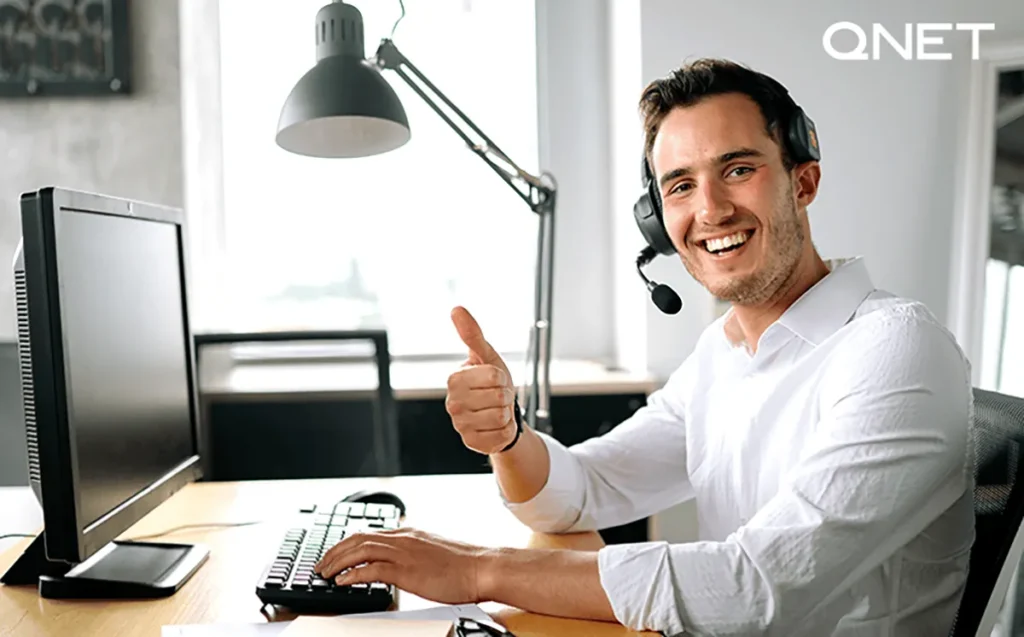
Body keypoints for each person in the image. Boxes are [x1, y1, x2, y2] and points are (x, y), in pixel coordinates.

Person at [315, 58, 975, 636]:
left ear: (802, 182)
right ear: (660, 218)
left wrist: (478, 569)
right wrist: (508, 437)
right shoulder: (725, 352)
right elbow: (587, 487)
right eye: (680, 185)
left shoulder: (894, 349)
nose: (710, 209)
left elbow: (758, 588)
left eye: (738, 169)